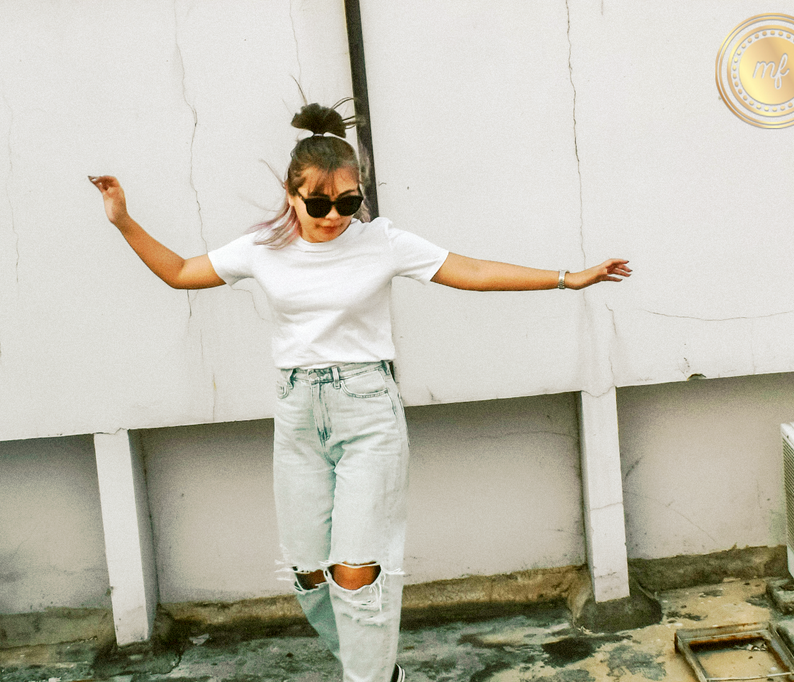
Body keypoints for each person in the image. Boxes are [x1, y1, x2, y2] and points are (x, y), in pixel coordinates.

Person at [90, 100, 631, 682]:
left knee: (357, 571)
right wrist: (123, 219)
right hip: (297, 415)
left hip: (367, 409)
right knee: (309, 574)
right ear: (291, 195)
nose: (331, 216)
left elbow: (468, 270)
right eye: (317, 203)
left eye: (346, 203)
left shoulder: (381, 242)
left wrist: (567, 277)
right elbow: (178, 272)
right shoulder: (260, 249)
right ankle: (378, 671)